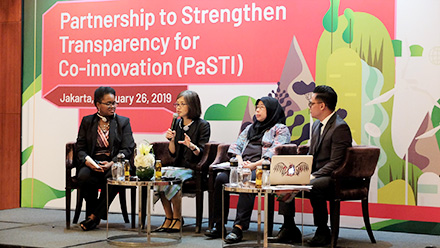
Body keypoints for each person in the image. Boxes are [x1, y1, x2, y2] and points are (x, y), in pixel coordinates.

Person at [204, 96, 291, 243]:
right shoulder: (250, 128)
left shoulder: (280, 129)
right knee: (220, 179)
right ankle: (219, 225)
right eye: (257, 107)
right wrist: (240, 161)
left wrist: (252, 166)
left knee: (248, 179)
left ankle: (238, 227)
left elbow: (274, 153)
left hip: (262, 169)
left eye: (262, 107)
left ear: (271, 110)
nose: (257, 110)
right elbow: (237, 146)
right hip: (243, 165)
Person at [274, 85, 352, 246]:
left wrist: (312, 175)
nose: (309, 107)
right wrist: (298, 171)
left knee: (312, 185)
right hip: (318, 173)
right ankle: (289, 227)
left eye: (311, 104)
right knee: (286, 180)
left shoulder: (340, 127)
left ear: (322, 105)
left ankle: (323, 230)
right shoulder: (317, 125)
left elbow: (336, 162)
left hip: (334, 177)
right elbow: (312, 154)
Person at [77, 86, 136, 231]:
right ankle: (95, 212)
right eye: (108, 103)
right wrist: (88, 162)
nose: (113, 106)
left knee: (115, 176)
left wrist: (112, 162)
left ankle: (93, 217)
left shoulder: (123, 122)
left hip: (113, 164)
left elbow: (128, 148)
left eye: (114, 103)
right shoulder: (87, 121)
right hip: (93, 163)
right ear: (98, 104)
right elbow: (80, 147)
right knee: (83, 176)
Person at [154, 90, 211, 233]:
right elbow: (172, 153)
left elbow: (202, 153)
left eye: (182, 104)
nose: (178, 107)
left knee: (173, 178)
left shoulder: (203, 125)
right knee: (159, 176)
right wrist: (171, 140)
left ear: (192, 106)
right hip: (177, 165)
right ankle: (169, 217)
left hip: (193, 167)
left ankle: (178, 218)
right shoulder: (177, 123)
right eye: (177, 104)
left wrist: (191, 146)